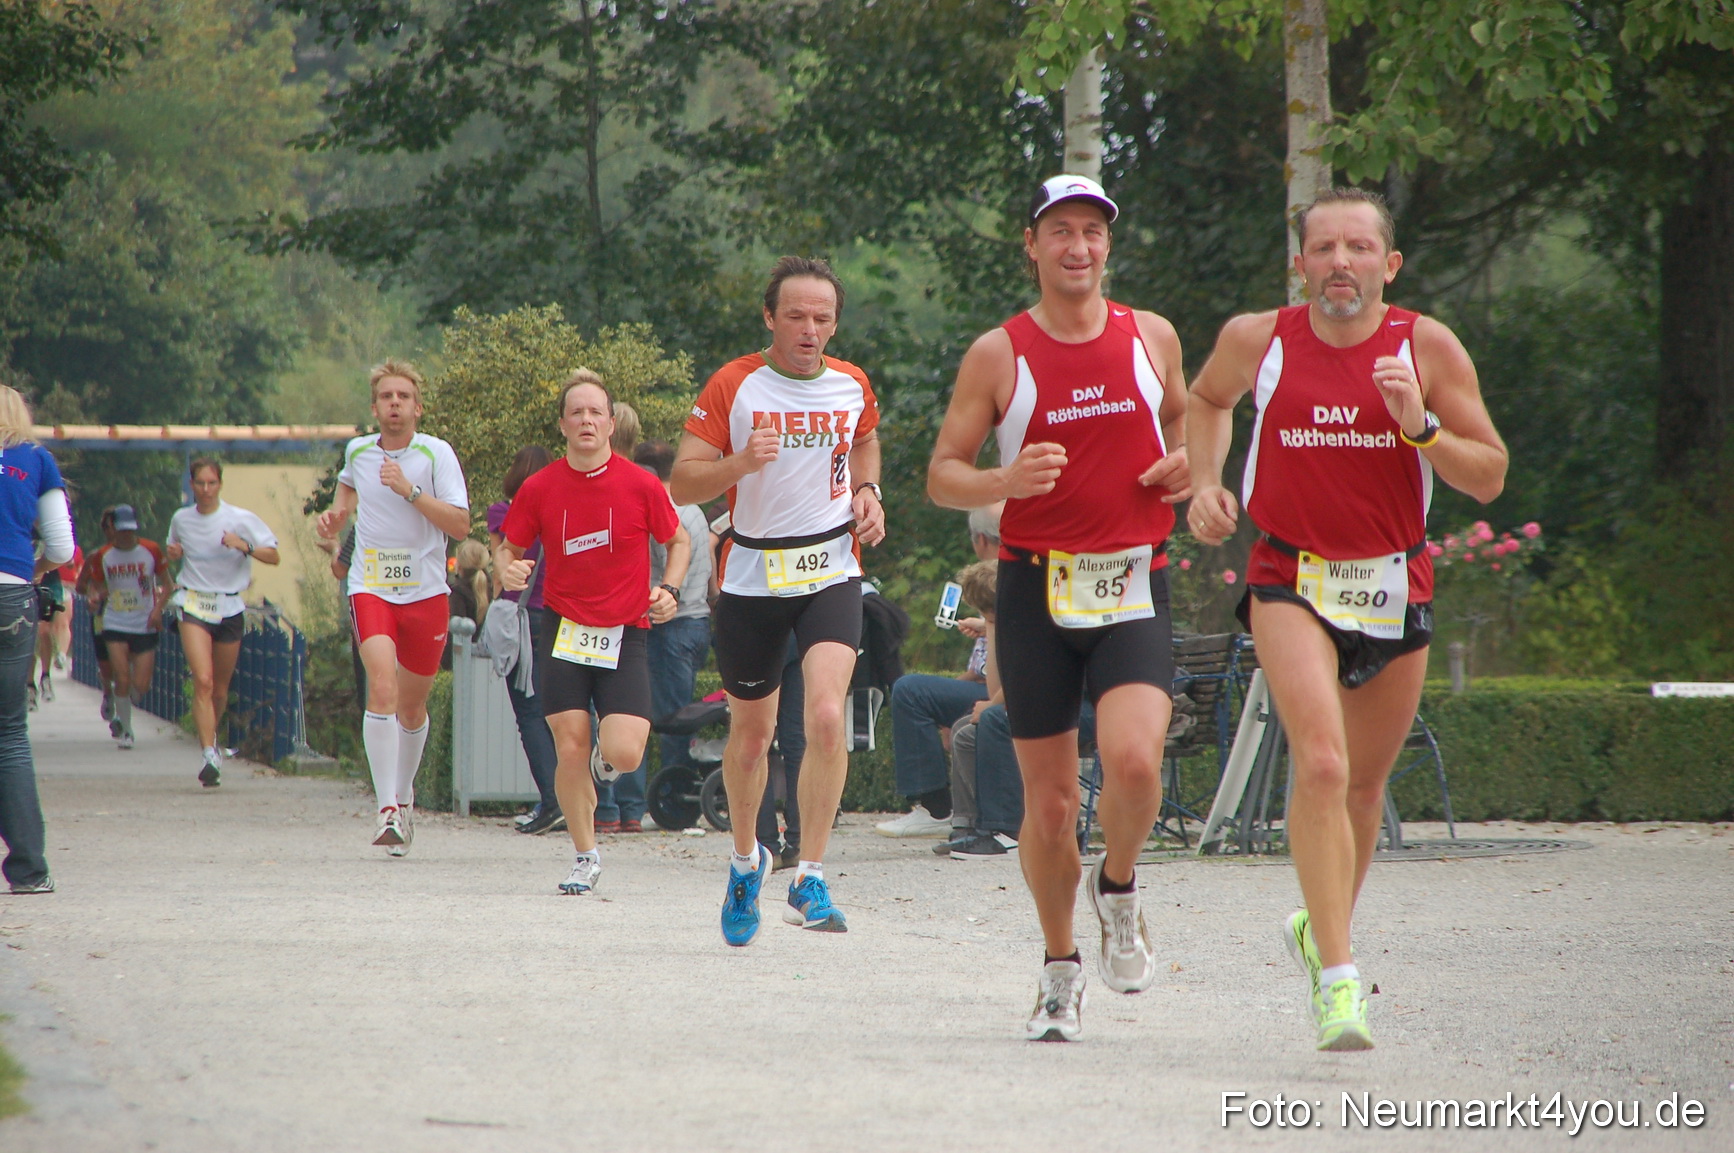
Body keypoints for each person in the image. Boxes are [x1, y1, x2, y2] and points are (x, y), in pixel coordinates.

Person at [1186, 187, 1508, 1051]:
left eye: (1358, 249)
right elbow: (1205, 400)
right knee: (1322, 764)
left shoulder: (1427, 345)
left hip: (1395, 580)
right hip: (1289, 574)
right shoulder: (1259, 340)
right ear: (1300, 263)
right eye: (1323, 248)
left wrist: (1421, 427)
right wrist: (1205, 481)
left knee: (1365, 786)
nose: (1340, 263)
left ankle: (1317, 926)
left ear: (1388, 264)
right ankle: (1339, 978)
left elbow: (1489, 475)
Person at [927, 175, 1190, 1041]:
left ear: (1108, 246)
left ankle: (1117, 884)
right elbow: (941, 475)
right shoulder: (999, 353)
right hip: (1037, 589)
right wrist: (1004, 481)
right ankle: (1058, 967)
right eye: (1061, 231)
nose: (1078, 246)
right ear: (1031, 246)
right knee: (1044, 808)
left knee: (1135, 764)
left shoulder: (1152, 336)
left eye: (1092, 231)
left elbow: (1183, 427)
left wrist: (1185, 469)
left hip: (1133, 580)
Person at [671, 255, 886, 945]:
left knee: (827, 716)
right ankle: (745, 861)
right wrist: (740, 464)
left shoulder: (851, 383)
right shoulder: (734, 383)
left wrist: (868, 492)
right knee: (753, 736)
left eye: (822, 317)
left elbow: (866, 441)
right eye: (795, 315)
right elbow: (680, 484)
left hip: (830, 567)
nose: (809, 328)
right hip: (752, 579)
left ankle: (810, 873)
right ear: (770, 316)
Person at [498, 371, 689, 895]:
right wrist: (507, 568)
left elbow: (680, 541)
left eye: (594, 412)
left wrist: (669, 589)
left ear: (610, 423)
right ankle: (585, 855)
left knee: (625, 752)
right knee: (569, 744)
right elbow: (507, 549)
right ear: (563, 424)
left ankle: (604, 767)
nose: (586, 420)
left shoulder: (641, 483)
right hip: (564, 629)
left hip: (626, 629)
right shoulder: (540, 487)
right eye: (576, 412)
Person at [317, 359, 471, 857]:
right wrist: (332, 523)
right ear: (375, 407)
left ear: (418, 407)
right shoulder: (358, 451)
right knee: (381, 686)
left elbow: (462, 526)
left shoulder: (436, 453)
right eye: (387, 397)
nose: (395, 404)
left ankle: (404, 797)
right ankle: (386, 808)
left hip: (426, 592)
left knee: (412, 704)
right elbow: (344, 500)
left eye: (404, 396)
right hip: (372, 586)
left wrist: (411, 492)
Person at [875, 505, 1002, 837]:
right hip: (994, 685)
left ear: (980, 540)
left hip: (1007, 691)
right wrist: (940, 700)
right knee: (916, 691)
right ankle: (937, 809)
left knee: (909, 689)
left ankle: (934, 809)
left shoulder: (995, 578)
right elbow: (978, 673)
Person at [165, 458, 281, 787]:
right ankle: (208, 754)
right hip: (193, 602)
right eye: (199, 483)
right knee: (202, 679)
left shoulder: (239, 519)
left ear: (220, 484)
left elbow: (274, 555)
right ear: (191, 484)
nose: (205, 490)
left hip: (229, 605)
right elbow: (173, 548)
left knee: (219, 688)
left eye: (211, 483)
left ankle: (213, 739)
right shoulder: (181, 518)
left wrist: (243, 546)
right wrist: (172, 553)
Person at [0, 386, 73, 893]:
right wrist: (33, 568)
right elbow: (63, 546)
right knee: (9, 736)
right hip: (11, 596)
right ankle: (29, 870)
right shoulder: (37, 460)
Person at [625, 439, 712, 835]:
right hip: (698, 622)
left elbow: (658, 576)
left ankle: (676, 806)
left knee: (670, 719)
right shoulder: (693, 509)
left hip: (671, 624)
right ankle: (676, 801)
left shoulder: (664, 509)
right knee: (681, 714)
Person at [486, 446, 562, 835]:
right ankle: (583, 801)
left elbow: (501, 566)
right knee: (568, 713)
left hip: (525, 616)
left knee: (530, 713)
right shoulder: (565, 509)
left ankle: (553, 801)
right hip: (562, 615)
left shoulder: (504, 513)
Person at [84, 504, 172, 752]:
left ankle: (124, 701)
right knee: (121, 676)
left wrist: (157, 611)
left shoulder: (151, 550)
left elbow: (168, 585)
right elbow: (100, 587)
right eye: (122, 531)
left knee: (140, 685)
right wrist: (95, 597)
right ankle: (126, 729)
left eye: (130, 531)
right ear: (114, 530)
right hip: (115, 621)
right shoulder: (104, 555)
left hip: (144, 623)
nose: (126, 536)